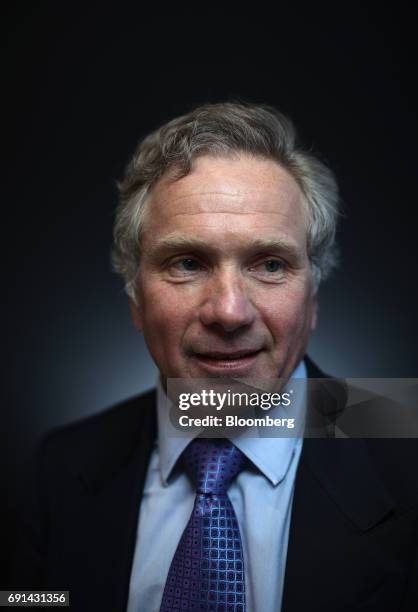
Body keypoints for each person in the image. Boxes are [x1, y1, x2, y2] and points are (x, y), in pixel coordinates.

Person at [10, 103, 418, 611]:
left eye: (270, 264)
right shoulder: (58, 466)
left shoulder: (408, 440)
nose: (229, 311)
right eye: (187, 262)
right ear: (135, 298)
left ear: (312, 300)